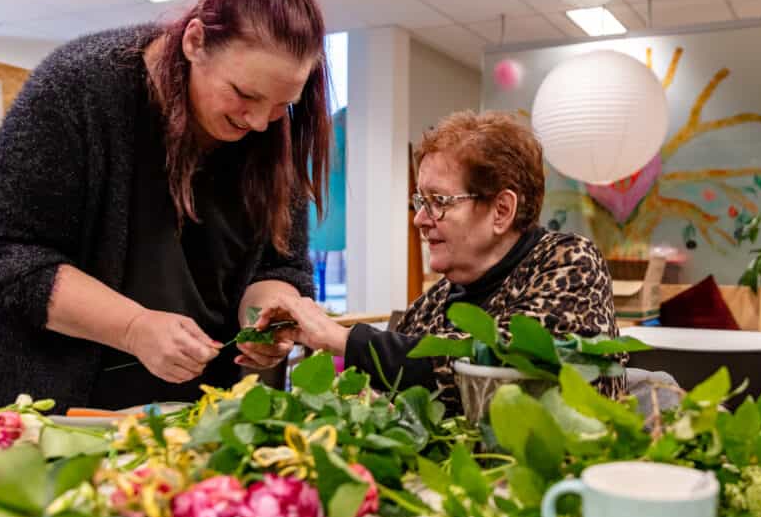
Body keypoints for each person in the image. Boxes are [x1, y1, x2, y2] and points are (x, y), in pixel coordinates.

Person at [0, 0, 330, 411]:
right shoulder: (80, 87)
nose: (259, 122)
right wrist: (133, 327)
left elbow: (281, 265)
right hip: (12, 394)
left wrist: (264, 320)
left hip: (166, 409)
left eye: (281, 105)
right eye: (244, 94)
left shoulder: (273, 134)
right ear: (195, 42)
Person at [258, 110, 622, 411]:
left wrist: (343, 339)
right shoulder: (435, 302)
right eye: (421, 201)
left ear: (502, 210)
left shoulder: (569, 261)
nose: (419, 219)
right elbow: (396, 381)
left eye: (439, 202)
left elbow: (497, 364)